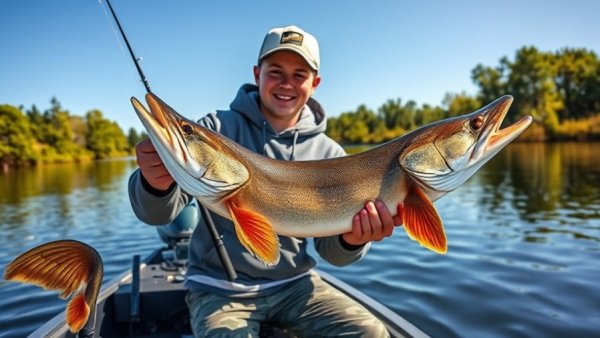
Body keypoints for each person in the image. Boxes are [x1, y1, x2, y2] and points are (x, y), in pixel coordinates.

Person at [129, 25, 402, 337]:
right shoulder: (215, 128)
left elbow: (332, 253)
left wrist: (354, 239)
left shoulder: (331, 154)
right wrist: (153, 182)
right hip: (219, 290)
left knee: (371, 333)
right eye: (275, 71)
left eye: (299, 74)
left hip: (295, 287)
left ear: (315, 83)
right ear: (257, 73)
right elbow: (156, 215)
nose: (287, 83)